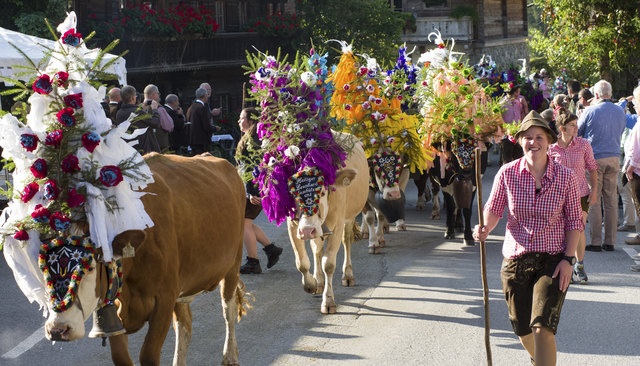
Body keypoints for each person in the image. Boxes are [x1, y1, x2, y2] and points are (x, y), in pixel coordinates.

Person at [474, 110, 583, 366]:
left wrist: (569, 259)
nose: (533, 142)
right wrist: (485, 228)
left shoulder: (566, 177)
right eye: (528, 138)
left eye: (539, 137)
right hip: (515, 260)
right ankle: (539, 360)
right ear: (520, 141)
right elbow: (493, 209)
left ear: (549, 141)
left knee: (541, 326)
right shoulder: (507, 173)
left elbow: (574, 222)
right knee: (522, 330)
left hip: (552, 260)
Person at [548, 107, 598, 283]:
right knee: (562, 229)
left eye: (576, 124)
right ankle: (564, 262)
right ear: (562, 129)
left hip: (580, 194)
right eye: (572, 125)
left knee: (578, 229)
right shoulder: (551, 148)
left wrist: (594, 191)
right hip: (558, 196)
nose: (576, 128)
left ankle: (579, 265)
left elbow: (592, 168)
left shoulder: (584, 145)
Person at [578, 80, 626, 252]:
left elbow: (577, 132)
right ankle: (610, 241)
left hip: (594, 158)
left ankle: (596, 241)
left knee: (594, 199)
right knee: (611, 199)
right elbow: (621, 130)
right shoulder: (620, 111)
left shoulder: (590, 111)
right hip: (614, 157)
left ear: (596, 95)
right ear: (610, 94)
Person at [235, 107, 282, 274]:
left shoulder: (253, 140)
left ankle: (253, 262)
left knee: (244, 225)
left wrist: (251, 192)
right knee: (246, 223)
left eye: (242, 118)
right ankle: (271, 250)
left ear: (251, 121)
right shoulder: (251, 138)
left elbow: (253, 168)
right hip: (251, 188)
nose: (239, 121)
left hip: (253, 189)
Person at [115, 85, 161, 154]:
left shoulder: (119, 113)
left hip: (128, 148)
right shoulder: (137, 112)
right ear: (133, 98)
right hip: (143, 149)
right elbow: (156, 123)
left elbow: (139, 122)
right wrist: (154, 109)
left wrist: (143, 109)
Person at [500, 84, 528, 164]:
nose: (519, 94)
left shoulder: (518, 103)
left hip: (517, 133)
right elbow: (499, 118)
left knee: (518, 158)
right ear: (514, 93)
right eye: (518, 92)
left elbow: (521, 116)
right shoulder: (503, 103)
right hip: (506, 134)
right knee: (507, 159)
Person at [186, 87, 217, 155]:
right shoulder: (202, 108)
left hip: (192, 140)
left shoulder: (190, 108)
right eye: (207, 94)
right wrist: (215, 128)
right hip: (201, 140)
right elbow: (206, 126)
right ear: (205, 96)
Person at [144, 84, 171, 151]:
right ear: (154, 94)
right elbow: (168, 126)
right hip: (160, 144)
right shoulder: (159, 108)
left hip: (146, 144)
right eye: (158, 93)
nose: (159, 95)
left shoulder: (140, 107)